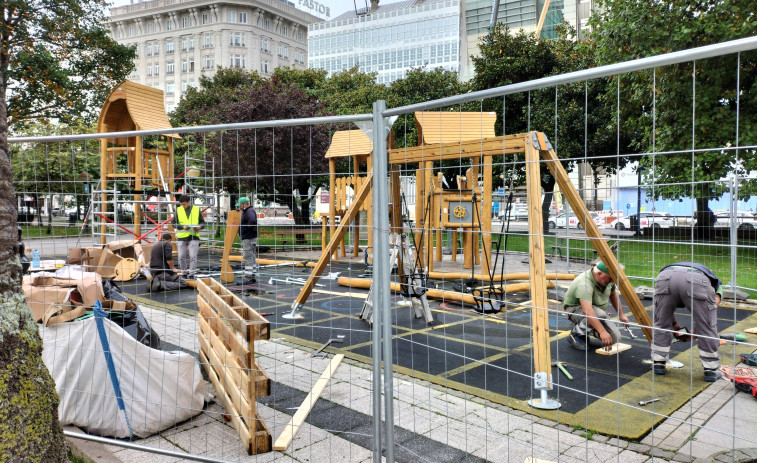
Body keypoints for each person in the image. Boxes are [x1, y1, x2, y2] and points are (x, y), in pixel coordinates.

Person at [652, 262, 724, 382]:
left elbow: (664, 314)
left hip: (665, 276)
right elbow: (709, 312)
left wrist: (673, 325)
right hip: (696, 279)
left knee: (660, 322)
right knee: (708, 327)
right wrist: (699, 329)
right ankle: (711, 370)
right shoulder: (717, 286)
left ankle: (658, 363)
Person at [563, 261, 631, 350]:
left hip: (597, 311)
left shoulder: (609, 279)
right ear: (599, 274)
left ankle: (586, 330)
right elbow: (587, 311)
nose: (612, 281)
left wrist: (621, 315)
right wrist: (602, 332)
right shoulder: (584, 283)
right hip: (575, 310)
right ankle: (576, 334)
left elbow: (613, 294)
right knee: (599, 314)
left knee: (615, 339)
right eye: (610, 279)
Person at [172, 194, 204, 279]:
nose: (183, 206)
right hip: (182, 236)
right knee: (181, 256)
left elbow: (202, 222)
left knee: (193, 256)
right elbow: (174, 223)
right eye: (181, 204)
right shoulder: (178, 210)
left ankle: (191, 273)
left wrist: (199, 227)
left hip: (194, 236)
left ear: (189, 202)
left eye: (184, 204)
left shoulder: (196, 210)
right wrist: (182, 227)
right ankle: (184, 272)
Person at [236, 197, 258, 285]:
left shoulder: (249, 211)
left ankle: (248, 278)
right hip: (250, 237)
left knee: (248, 258)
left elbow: (252, 221)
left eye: (240, 205)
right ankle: (252, 276)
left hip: (248, 238)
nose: (240, 207)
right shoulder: (249, 211)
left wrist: (245, 230)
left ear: (245, 204)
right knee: (252, 257)